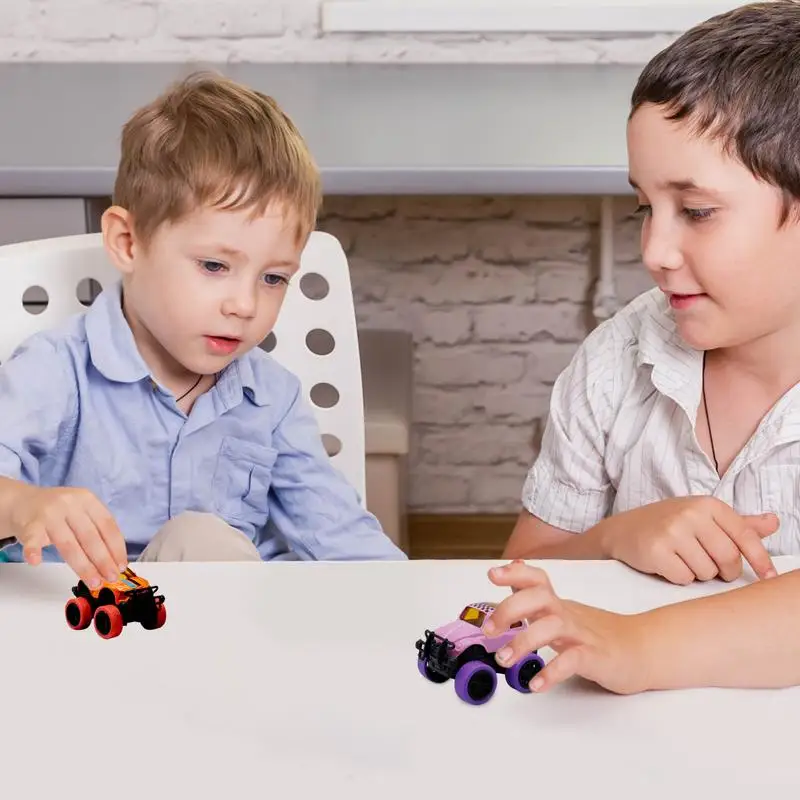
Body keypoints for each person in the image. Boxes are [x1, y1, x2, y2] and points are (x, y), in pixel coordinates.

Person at [489, 0, 800, 693]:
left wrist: (639, 646)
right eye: (644, 207)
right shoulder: (618, 358)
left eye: (696, 212)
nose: (654, 251)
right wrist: (614, 536)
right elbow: (528, 565)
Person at [0, 71, 405, 586]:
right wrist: (25, 504)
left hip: (225, 640)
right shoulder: (55, 371)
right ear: (128, 242)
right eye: (214, 266)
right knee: (201, 540)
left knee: (206, 542)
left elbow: (341, 538)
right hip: (76, 631)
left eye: (274, 278)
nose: (244, 304)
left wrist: (427, 617)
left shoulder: (271, 398)